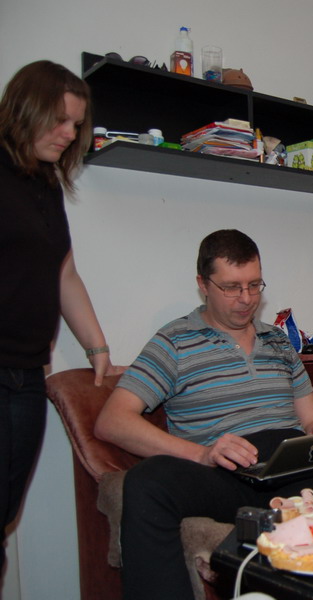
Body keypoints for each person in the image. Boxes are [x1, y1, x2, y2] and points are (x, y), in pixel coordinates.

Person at [94, 229, 313, 600]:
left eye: (254, 285)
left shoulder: (278, 341)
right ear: (202, 285)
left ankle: (267, 545)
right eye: (231, 287)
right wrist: (202, 454)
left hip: (287, 467)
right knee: (146, 482)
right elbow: (112, 421)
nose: (246, 299)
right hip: (223, 472)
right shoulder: (175, 340)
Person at [0, 60, 120, 577]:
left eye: (76, 124)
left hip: (28, 375)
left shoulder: (45, 183)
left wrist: (97, 347)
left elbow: (64, 272)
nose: (70, 134)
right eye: (60, 121)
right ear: (25, 111)